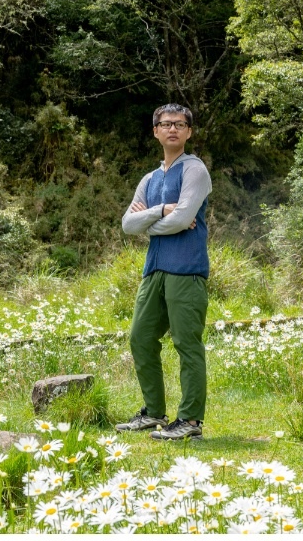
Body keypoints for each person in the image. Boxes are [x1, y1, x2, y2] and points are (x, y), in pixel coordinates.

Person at [115, 103, 211, 441]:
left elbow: (184, 219)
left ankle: (190, 421)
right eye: (166, 124)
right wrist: (160, 210)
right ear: (155, 130)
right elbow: (128, 224)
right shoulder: (150, 179)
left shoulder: (195, 170)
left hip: (187, 268)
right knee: (140, 337)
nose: (173, 129)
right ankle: (154, 413)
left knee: (187, 343)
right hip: (154, 268)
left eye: (180, 124)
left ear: (189, 132)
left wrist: (150, 224)